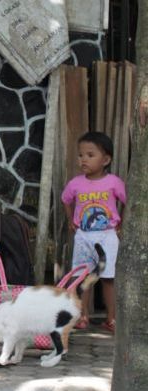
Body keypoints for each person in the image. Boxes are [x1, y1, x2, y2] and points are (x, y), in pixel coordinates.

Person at [61, 132, 126, 334]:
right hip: (84, 236)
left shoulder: (114, 182)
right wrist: (72, 220)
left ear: (105, 159)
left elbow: (126, 201)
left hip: (107, 235)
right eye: (81, 155)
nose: (83, 160)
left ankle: (111, 318)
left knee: (108, 277)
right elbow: (65, 199)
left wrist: (121, 222)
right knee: (83, 277)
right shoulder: (75, 183)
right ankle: (82, 316)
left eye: (90, 155)